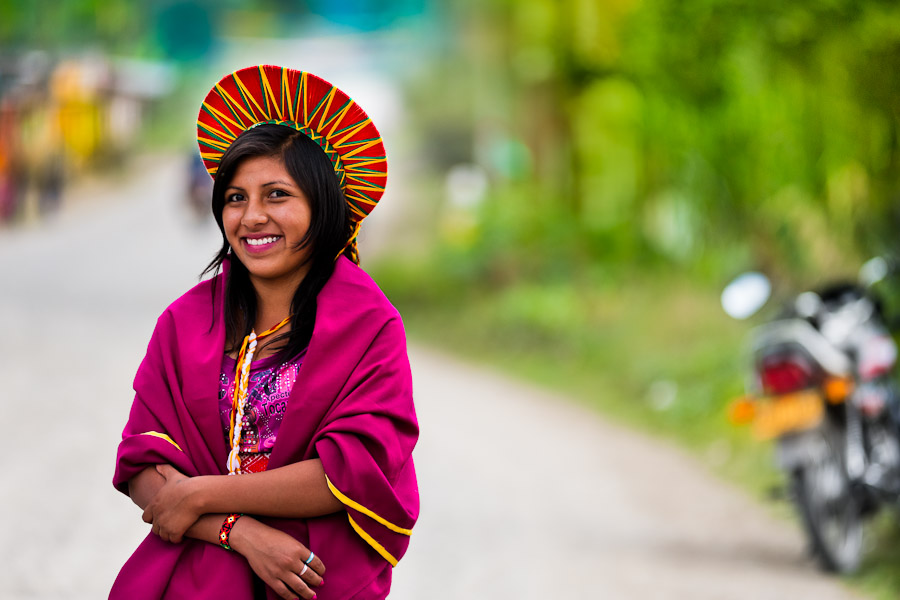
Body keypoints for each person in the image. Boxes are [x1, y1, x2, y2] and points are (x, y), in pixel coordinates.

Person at [111, 65, 419, 600]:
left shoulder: (371, 326)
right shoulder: (183, 322)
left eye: (277, 195)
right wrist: (240, 532)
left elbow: (349, 469)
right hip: (189, 580)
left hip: (307, 579)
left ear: (323, 207)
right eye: (235, 197)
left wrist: (203, 494)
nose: (252, 216)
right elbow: (145, 461)